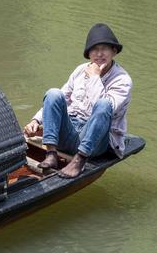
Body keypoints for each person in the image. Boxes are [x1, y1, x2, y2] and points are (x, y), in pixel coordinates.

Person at [24, 23, 132, 178]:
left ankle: (79, 160)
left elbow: (103, 109)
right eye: (95, 49)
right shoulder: (80, 71)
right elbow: (61, 96)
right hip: (71, 131)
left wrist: (95, 77)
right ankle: (51, 153)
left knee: (104, 104)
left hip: (96, 140)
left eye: (104, 49)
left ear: (113, 51)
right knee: (53, 93)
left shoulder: (122, 80)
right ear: (89, 54)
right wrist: (35, 120)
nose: (99, 54)